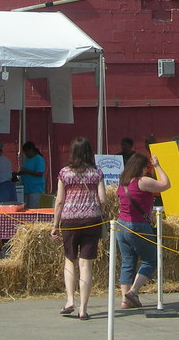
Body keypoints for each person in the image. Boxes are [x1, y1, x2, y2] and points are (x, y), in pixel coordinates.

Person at [50, 136, 106, 321]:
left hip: (70, 221)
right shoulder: (96, 173)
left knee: (69, 260)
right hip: (92, 220)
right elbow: (103, 199)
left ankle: (69, 300)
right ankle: (83, 308)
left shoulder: (64, 173)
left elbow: (59, 201)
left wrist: (55, 225)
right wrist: (98, 211)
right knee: (86, 264)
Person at [116, 152, 170, 309]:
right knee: (151, 259)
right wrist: (158, 166)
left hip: (121, 224)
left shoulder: (123, 181)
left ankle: (125, 301)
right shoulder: (143, 181)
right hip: (138, 225)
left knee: (127, 262)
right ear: (141, 167)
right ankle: (133, 291)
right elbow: (166, 184)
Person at [17, 141, 46, 209]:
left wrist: (27, 171)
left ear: (31, 150)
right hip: (26, 188)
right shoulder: (27, 159)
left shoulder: (39, 159)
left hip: (35, 190)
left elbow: (40, 173)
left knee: (33, 209)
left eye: (26, 152)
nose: (25, 154)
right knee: (25, 208)